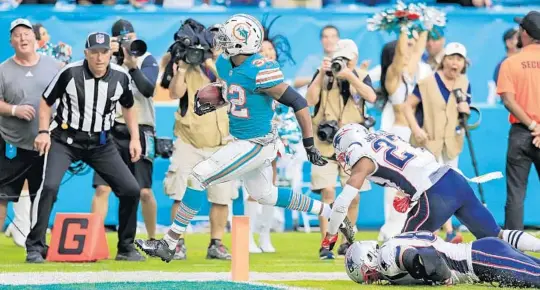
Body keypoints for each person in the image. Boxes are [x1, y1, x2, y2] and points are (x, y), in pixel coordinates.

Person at [136, 14, 345, 263]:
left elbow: (298, 102)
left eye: (227, 38)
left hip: (258, 143)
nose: (220, 41)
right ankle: (329, 210)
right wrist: (219, 99)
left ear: (241, 43)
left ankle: (169, 243)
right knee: (266, 194)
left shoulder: (261, 70)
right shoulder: (225, 64)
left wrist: (308, 144)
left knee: (197, 176)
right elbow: (236, 92)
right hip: (241, 140)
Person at [323, 123, 540, 255]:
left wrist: (330, 235)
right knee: (497, 235)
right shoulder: (384, 136)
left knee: (397, 252)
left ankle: (451, 266)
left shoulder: (359, 154)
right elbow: (416, 159)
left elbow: (343, 202)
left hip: (434, 192)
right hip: (452, 179)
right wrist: (409, 191)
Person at [28, 32, 144, 263]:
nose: (99, 58)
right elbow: (46, 101)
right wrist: (43, 132)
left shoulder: (120, 77)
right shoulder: (70, 72)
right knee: (49, 187)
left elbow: (129, 106)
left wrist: (135, 138)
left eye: (104, 52)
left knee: (131, 190)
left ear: (111, 53)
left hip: (101, 143)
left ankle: (126, 247)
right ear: (86, 53)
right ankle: (35, 246)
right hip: (65, 140)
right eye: (94, 52)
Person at [163, 19, 235, 261]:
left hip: (222, 142)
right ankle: (177, 243)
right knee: (180, 193)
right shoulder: (188, 65)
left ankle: (216, 243)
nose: (213, 46)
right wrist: (183, 67)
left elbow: (230, 88)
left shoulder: (228, 67)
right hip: (189, 141)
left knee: (221, 197)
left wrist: (210, 63)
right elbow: (175, 93)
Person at [306, 38, 376, 259]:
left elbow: (372, 97)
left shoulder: (361, 76)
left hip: (353, 147)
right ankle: (325, 243)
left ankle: (347, 242)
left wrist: (350, 76)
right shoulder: (323, 75)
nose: (343, 63)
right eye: (340, 59)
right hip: (325, 145)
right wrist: (320, 73)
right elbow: (309, 100)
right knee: (327, 191)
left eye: (347, 59)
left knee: (353, 196)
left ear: (354, 59)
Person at [91, 19, 159, 243]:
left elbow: (147, 89)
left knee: (144, 191)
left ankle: (152, 238)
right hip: (110, 127)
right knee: (102, 188)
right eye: (121, 39)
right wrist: (109, 57)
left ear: (135, 35)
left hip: (141, 127)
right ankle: (93, 239)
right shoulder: (106, 61)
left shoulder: (146, 58)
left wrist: (131, 64)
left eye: (129, 37)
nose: (125, 43)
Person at [0, 18, 61, 248]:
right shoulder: (3, 70)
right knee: (2, 196)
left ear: (36, 40)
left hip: (44, 144)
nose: (22, 38)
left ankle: (37, 243)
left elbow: (65, 99)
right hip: (10, 144)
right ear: (11, 41)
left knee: (42, 194)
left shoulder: (54, 66)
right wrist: (14, 109)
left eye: (26, 33)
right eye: (17, 35)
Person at [404, 42, 473, 243]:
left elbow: (465, 109)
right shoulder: (426, 82)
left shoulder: (465, 82)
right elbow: (408, 106)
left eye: (459, 59)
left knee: (449, 186)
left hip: (451, 142)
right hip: (428, 142)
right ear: (443, 60)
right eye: (451, 58)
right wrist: (416, 130)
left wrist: (465, 109)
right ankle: (439, 229)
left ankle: (447, 230)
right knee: (428, 186)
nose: (455, 63)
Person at [245, 14, 299, 254]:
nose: (267, 53)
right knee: (252, 189)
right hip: (253, 136)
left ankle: (264, 236)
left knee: (270, 188)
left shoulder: (280, 80)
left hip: (274, 139)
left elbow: (287, 109)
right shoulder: (248, 76)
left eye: (270, 50)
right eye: (262, 49)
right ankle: (247, 238)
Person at [377, 28, 430, 243]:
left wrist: (424, 26)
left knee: (415, 184)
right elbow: (400, 56)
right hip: (398, 136)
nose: (409, 55)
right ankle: (391, 228)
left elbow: (418, 51)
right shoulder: (393, 79)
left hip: (415, 135)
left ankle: (409, 226)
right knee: (395, 184)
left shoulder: (413, 75)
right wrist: (403, 29)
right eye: (404, 52)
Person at [346, 231, 540, 288]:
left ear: (369, 257)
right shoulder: (390, 245)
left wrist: (443, 276)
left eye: (366, 274)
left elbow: (420, 256)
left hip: (480, 259)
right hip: (484, 253)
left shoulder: (387, 257)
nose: (370, 280)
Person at [497, 11, 540, 231]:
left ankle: (513, 255)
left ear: (525, 34)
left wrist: (533, 126)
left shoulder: (511, 63)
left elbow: (508, 100)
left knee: (515, 194)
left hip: (522, 132)